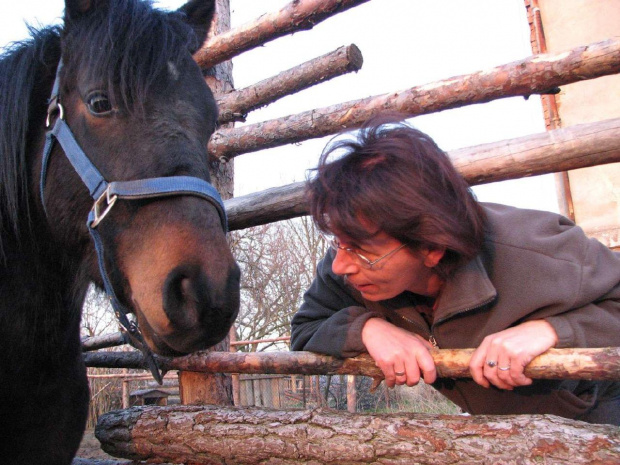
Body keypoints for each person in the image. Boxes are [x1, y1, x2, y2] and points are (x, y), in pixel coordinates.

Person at [290, 116, 620, 425]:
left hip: (600, 422)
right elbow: (305, 330)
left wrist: (553, 331)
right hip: (504, 435)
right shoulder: (347, 263)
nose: (339, 265)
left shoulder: (538, 249)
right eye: (337, 243)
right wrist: (366, 329)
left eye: (363, 251)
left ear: (432, 247)